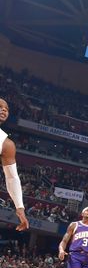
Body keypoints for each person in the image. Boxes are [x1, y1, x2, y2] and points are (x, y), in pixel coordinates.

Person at [0, 98, 29, 231]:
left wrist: (20, 207)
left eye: (6, 108)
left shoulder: (7, 144)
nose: (4, 109)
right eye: (0, 107)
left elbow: (12, 178)